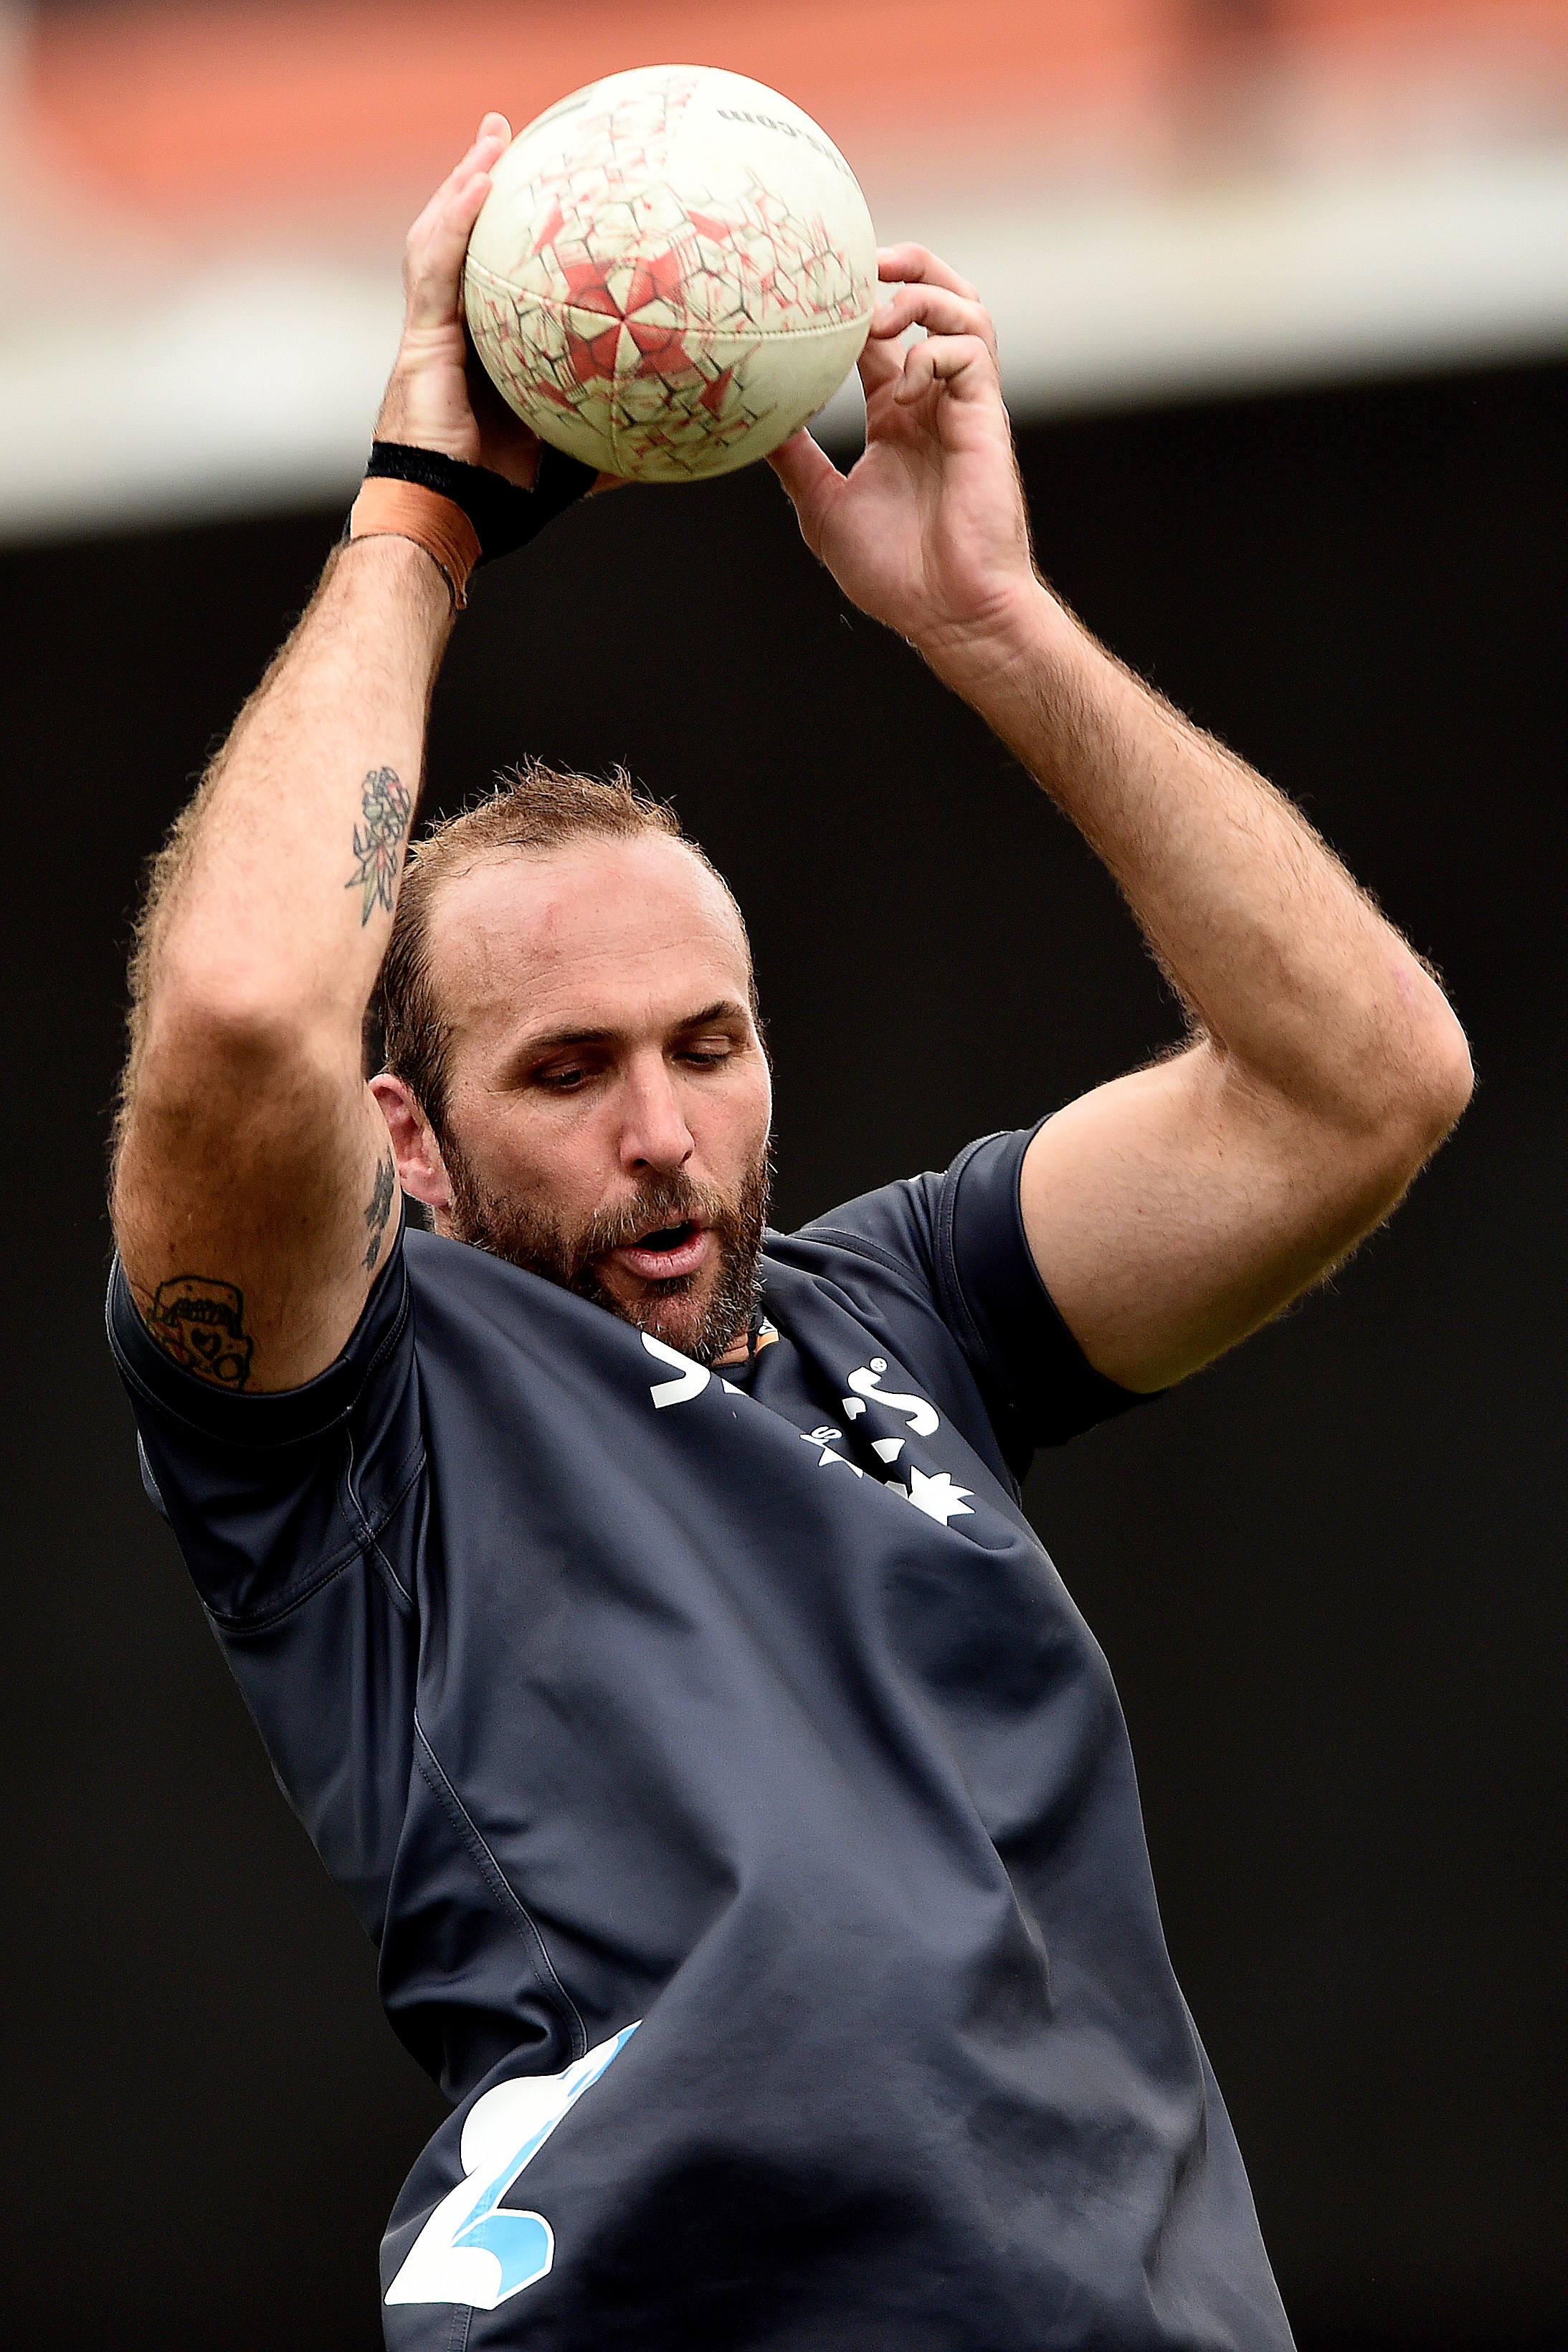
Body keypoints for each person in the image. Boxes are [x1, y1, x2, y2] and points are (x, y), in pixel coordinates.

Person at [107, 115, 1471, 2352]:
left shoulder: (899, 1310)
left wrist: (988, 618)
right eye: (565, 1071)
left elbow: (1361, 1082)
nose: (664, 1132)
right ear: (409, 1143)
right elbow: (247, 1006)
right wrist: (419, 518)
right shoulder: (353, 1424)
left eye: (707, 1045)